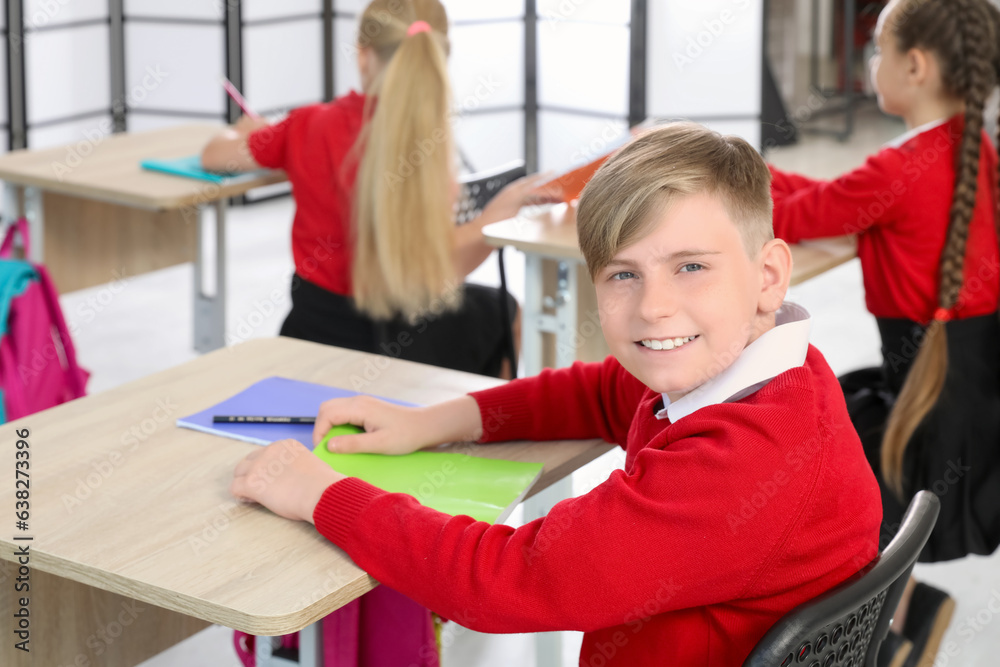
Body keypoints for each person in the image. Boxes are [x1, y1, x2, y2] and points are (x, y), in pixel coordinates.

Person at [230, 123, 883, 666]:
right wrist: (432, 422)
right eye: (623, 274)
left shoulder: (738, 462)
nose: (654, 307)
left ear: (767, 275)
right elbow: (604, 390)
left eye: (690, 266)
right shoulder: (778, 371)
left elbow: (503, 581)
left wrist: (322, 494)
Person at [767, 0, 1000, 664]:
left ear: (916, 66)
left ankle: (888, 641)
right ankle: (911, 614)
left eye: (877, 49)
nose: (870, 62)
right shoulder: (965, 146)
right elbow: (834, 197)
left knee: (838, 488)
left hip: (932, 409)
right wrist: (754, 170)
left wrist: (727, 174)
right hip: (965, 387)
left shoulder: (901, 169)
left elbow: (803, 212)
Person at [201, 0, 556, 380]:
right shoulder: (428, 145)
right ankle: (481, 428)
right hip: (409, 339)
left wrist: (244, 132)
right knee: (502, 311)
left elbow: (214, 155)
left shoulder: (307, 125)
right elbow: (438, 272)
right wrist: (496, 214)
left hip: (316, 328)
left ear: (363, 56)